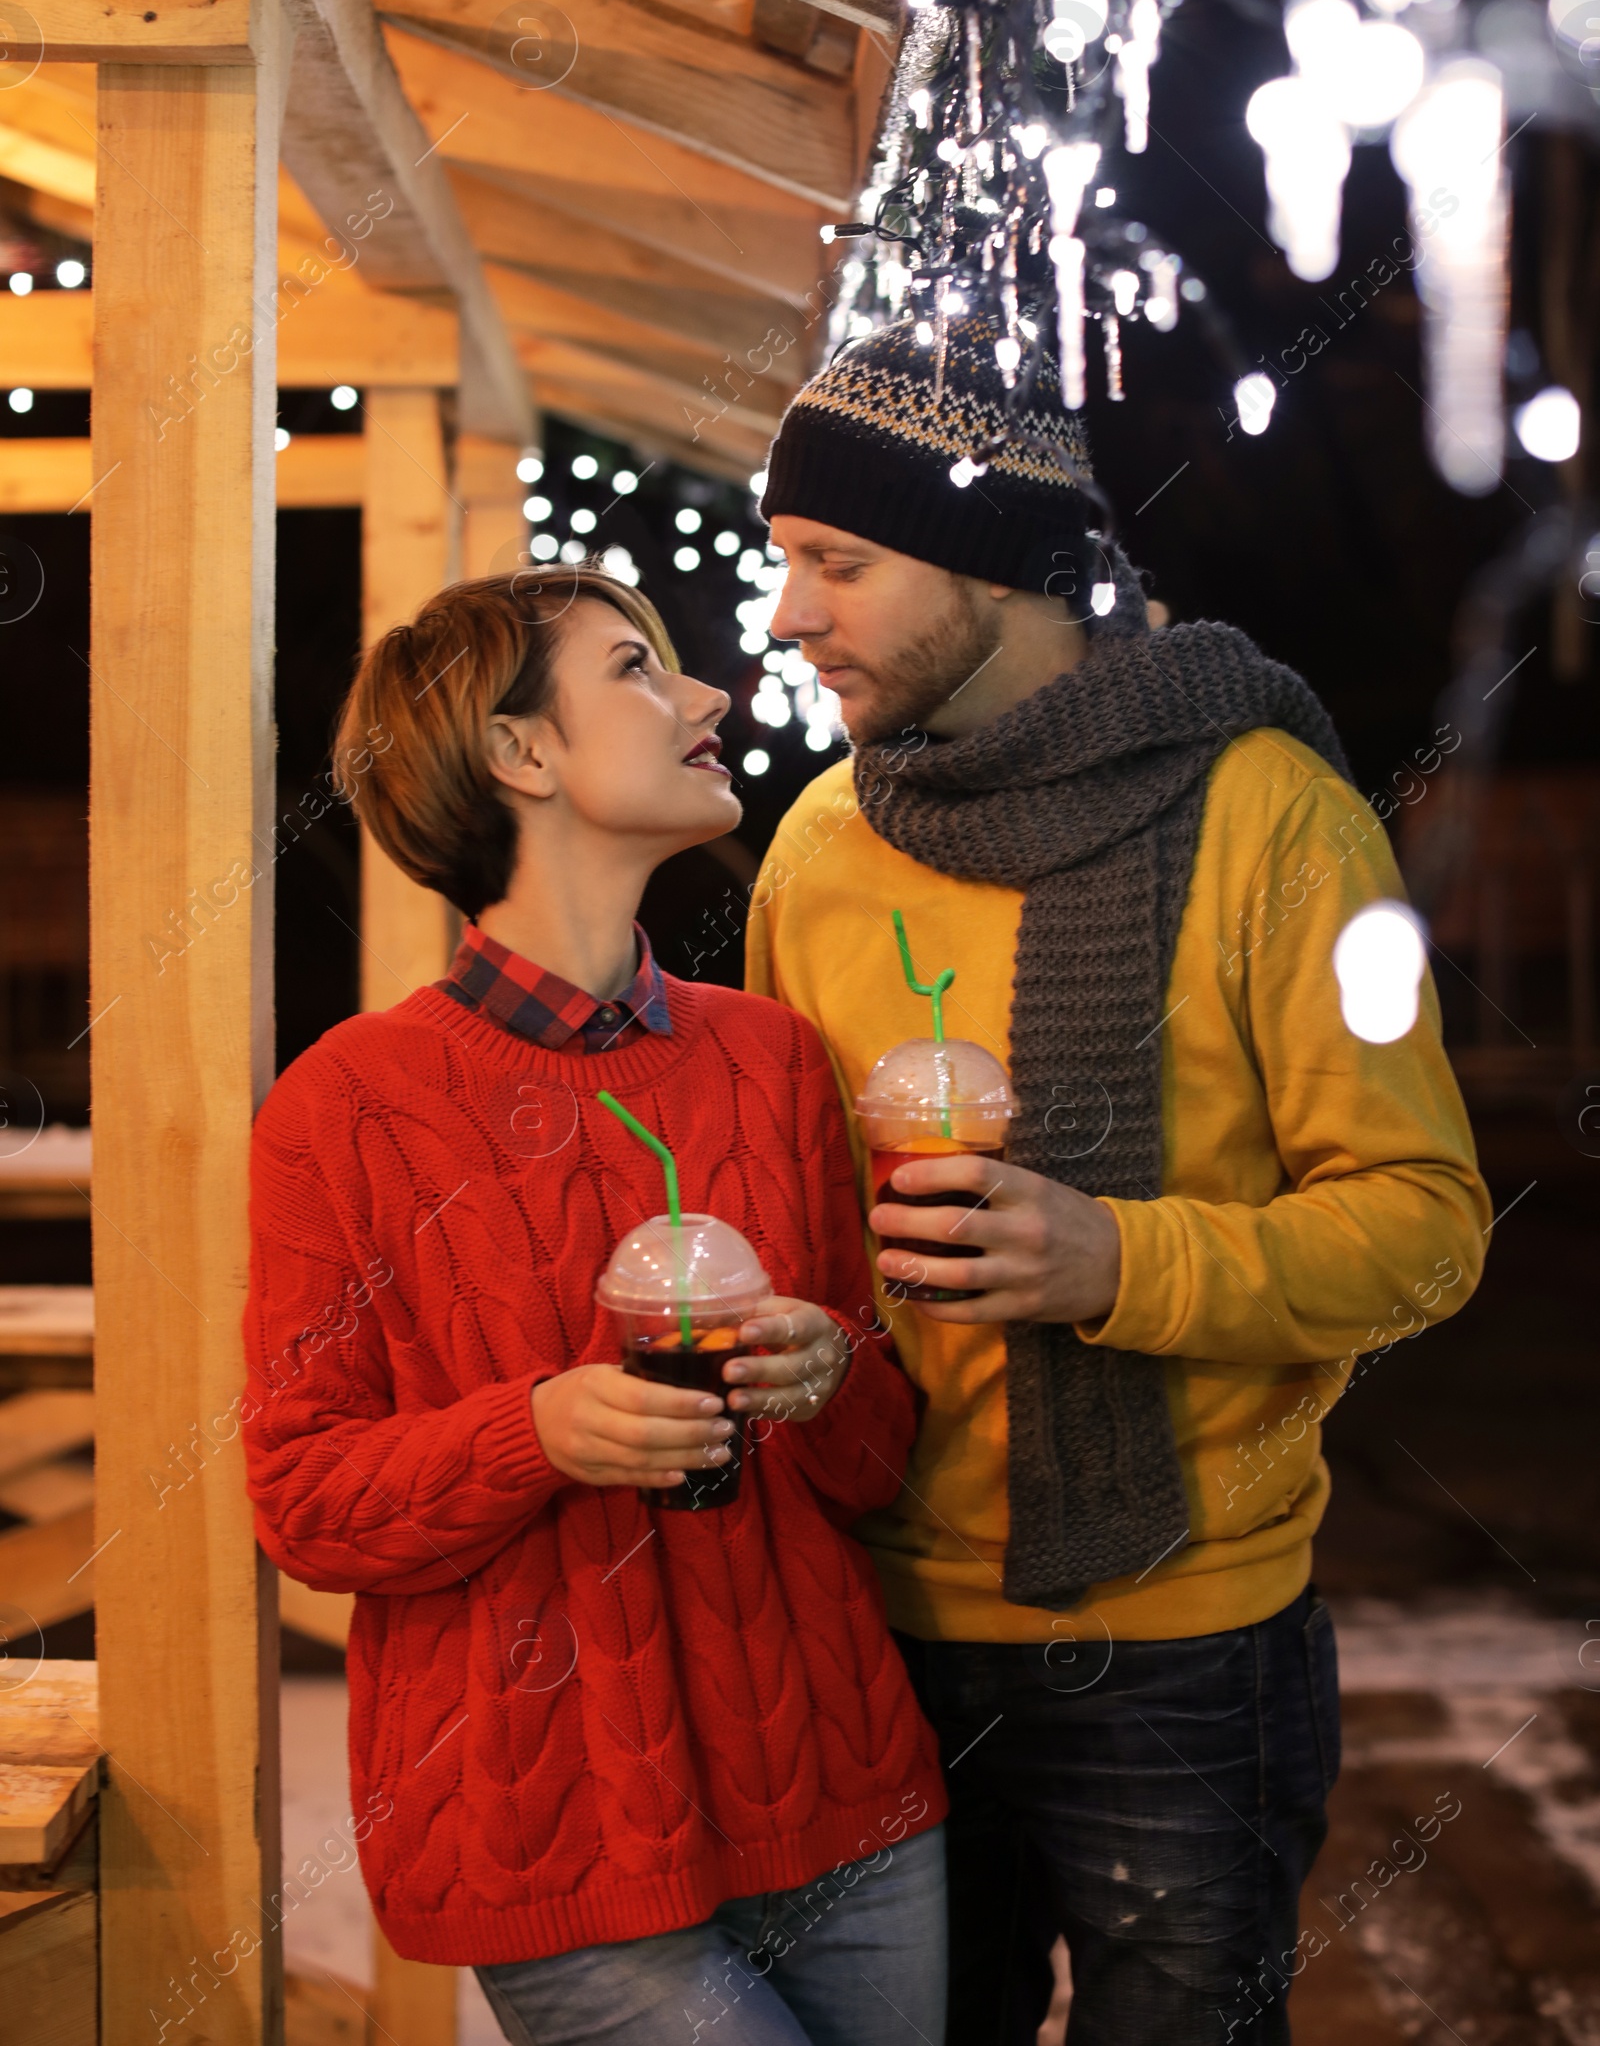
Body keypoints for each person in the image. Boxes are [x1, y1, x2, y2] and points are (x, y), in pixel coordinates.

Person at [745, 315, 1491, 2046]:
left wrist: (1116, 1263)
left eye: (837, 562)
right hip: (871, 1618)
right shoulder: (819, 846)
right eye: (790, 564)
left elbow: (1426, 1226)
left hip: (1182, 1642)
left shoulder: (1280, 821)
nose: (789, 617)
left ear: (999, 562)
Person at [243, 565, 948, 2046]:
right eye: (639, 668)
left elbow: (875, 1463)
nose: (711, 695)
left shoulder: (771, 1058)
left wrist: (831, 1371)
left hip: (846, 1802)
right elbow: (304, 1503)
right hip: (551, 1832)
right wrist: (536, 1432)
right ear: (521, 755)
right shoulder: (347, 1110)